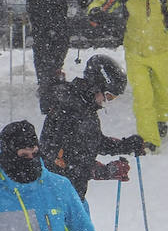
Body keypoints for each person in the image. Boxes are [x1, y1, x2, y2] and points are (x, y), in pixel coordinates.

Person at [88, 0, 168, 152]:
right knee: (142, 97)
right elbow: (103, 0)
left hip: (162, 52)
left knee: (164, 94)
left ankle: (161, 121)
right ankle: (149, 139)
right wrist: (94, 10)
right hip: (135, 53)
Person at [39, 55, 146, 200]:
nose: (106, 101)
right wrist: (103, 171)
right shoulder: (68, 108)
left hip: (75, 196)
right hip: (57, 197)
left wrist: (125, 146)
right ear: (96, 86)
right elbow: (59, 159)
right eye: (108, 96)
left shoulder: (85, 107)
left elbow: (92, 142)